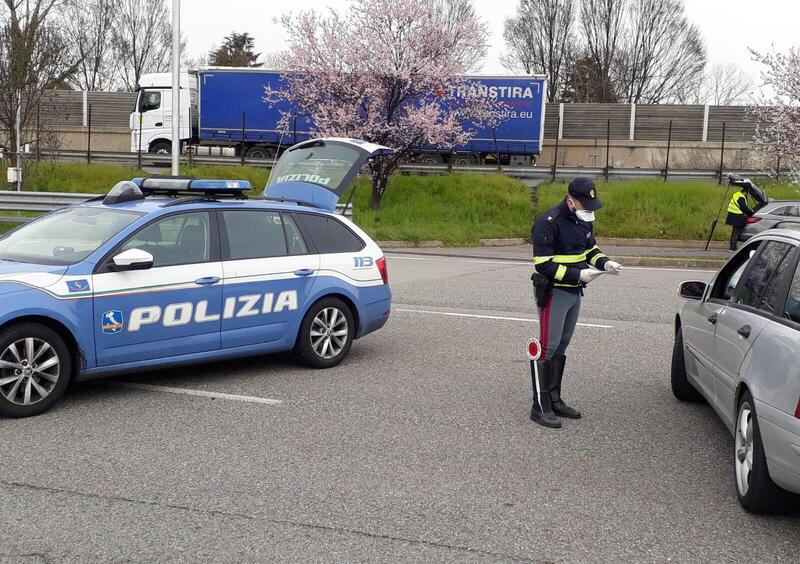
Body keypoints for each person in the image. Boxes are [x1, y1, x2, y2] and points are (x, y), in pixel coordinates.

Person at [529, 178, 622, 429]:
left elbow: (590, 250)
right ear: (571, 201)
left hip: (574, 291)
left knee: (562, 345)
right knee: (547, 348)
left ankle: (555, 399)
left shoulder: (584, 220)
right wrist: (577, 275)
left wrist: (605, 263)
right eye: (585, 204)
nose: (589, 209)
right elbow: (543, 265)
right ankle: (540, 406)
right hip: (555, 291)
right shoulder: (549, 223)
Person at [725, 183, 754, 252]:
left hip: (732, 215)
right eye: (747, 193)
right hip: (737, 216)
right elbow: (744, 208)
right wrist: (751, 213)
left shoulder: (737, 195)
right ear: (746, 192)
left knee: (734, 231)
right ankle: (733, 248)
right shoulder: (741, 197)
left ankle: (732, 246)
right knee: (736, 232)